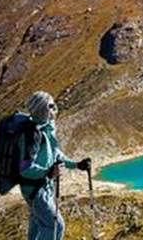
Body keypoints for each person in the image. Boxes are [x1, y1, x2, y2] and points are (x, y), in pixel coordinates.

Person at [18, 91, 91, 240]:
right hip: (35, 189)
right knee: (55, 225)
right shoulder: (32, 135)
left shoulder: (47, 129)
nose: (55, 109)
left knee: (38, 225)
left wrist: (76, 165)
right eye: (51, 106)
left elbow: (56, 155)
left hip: (44, 187)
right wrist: (47, 172)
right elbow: (24, 168)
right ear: (42, 109)